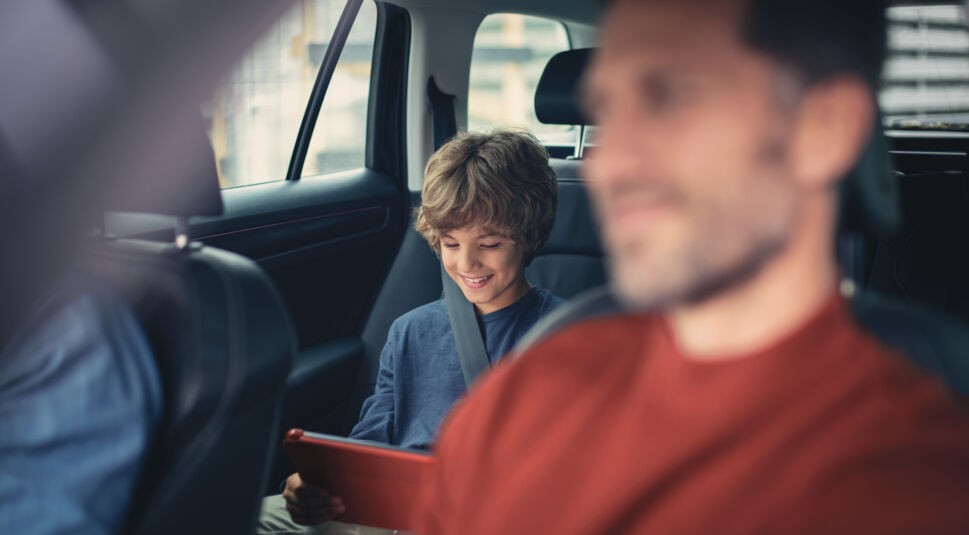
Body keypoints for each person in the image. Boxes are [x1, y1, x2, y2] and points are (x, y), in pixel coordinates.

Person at [413, 1, 969, 533]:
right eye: (608, 111)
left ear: (823, 126)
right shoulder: (524, 393)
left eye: (670, 100)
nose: (613, 165)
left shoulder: (923, 467)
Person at [257, 128, 564, 534]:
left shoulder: (566, 337)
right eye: (451, 245)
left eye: (488, 244)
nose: (467, 263)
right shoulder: (410, 332)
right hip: (392, 511)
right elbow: (368, 444)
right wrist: (313, 487)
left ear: (529, 237)